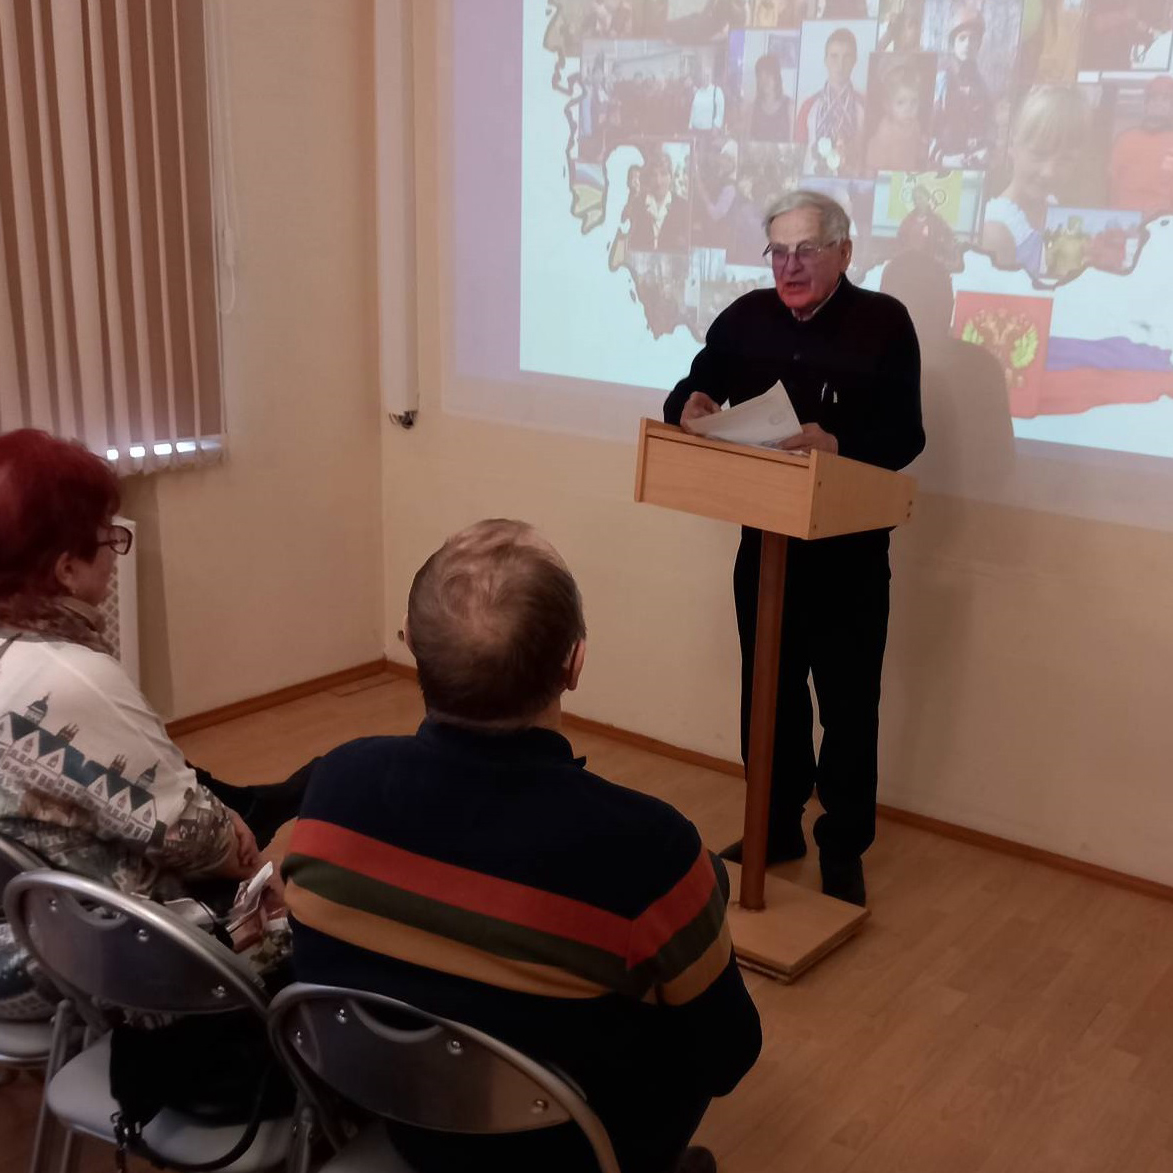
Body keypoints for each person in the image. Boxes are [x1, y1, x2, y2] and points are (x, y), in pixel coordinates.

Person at [284, 519, 761, 1173]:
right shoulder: (652, 850)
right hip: (572, 1154)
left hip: (400, 1118)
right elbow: (728, 1055)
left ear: (410, 642)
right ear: (575, 662)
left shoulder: (336, 784)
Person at [663, 190, 924, 907]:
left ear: (844, 251)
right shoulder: (745, 318)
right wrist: (687, 405)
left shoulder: (884, 323)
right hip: (767, 544)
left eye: (806, 250)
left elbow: (907, 434)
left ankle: (842, 845)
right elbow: (694, 386)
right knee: (768, 697)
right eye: (778, 251)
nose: (790, 265)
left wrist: (836, 443)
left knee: (847, 704)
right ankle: (774, 827)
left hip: (849, 555)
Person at [0, 429, 308, 1020]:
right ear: (66, 569)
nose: (115, 554)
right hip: (78, 966)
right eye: (108, 538)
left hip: (20, 936)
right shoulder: (70, 681)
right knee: (299, 918)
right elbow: (209, 846)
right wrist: (237, 842)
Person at [982, 85, 1089, 277]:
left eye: (1065, 160)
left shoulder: (1053, 208)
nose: (1049, 172)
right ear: (1012, 146)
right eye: (1039, 154)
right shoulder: (996, 230)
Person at [795, 29, 867, 176]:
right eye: (834, 56)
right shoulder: (809, 106)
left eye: (847, 57)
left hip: (854, 183)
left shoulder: (866, 106)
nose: (840, 64)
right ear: (825, 60)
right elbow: (797, 154)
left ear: (854, 61)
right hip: (813, 183)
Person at [928, 5, 992, 168]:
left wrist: (986, 150)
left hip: (972, 165)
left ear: (979, 45)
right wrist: (944, 159)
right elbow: (924, 131)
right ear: (953, 44)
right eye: (962, 38)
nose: (968, 44)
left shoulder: (982, 86)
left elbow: (988, 128)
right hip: (941, 165)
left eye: (973, 39)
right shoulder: (941, 80)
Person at [1109, 75, 1173, 219]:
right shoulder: (1125, 139)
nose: (1158, 103)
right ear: (1146, 104)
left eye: (1165, 99)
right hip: (1123, 220)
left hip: (1162, 223)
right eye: (1154, 98)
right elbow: (1111, 185)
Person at [866, 66, 929, 172]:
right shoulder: (884, 134)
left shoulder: (915, 125)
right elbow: (872, 167)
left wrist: (923, 148)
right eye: (901, 102)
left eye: (914, 101)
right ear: (887, 105)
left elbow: (916, 153)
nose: (909, 109)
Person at [629, 149, 692, 252]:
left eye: (663, 174)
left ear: (671, 176)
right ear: (649, 178)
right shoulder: (636, 205)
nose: (659, 181)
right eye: (654, 175)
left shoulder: (683, 207)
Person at [895, 182, 960, 268]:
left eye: (920, 198)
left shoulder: (936, 219)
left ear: (927, 198)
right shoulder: (908, 220)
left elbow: (950, 236)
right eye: (915, 199)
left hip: (929, 263)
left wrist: (942, 256)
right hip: (910, 262)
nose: (918, 201)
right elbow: (900, 239)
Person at [748, 53, 792, 140]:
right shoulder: (752, 108)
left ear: (776, 77)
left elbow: (793, 140)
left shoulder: (789, 106)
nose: (764, 81)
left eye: (768, 75)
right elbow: (747, 140)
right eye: (761, 77)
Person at [690, 63, 726, 132]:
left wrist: (716, 126)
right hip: (696, 129)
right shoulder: (698, 92)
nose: (705, 78)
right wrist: (690, 125)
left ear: (711, 77)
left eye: (707, 76)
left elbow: (720, 112)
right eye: (703, 76)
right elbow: (693, 110)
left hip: (709, 130)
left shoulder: (717, 91)